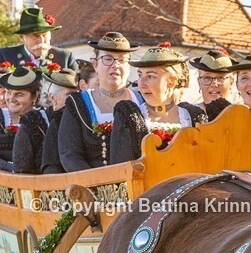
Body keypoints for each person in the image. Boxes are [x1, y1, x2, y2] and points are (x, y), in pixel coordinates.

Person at [59, 32, 143, 171]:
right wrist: (100, 184)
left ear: (130, 67)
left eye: (122, 60)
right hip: (95, 187)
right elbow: (70, 155)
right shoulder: (79, 103)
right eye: (108, 59)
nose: (115, 65)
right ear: (95, 64)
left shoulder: (142, 100)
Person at [108, 44, 206, 163]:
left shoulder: (193, 117)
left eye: (150, 76)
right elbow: (122, 169)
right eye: (140, 75)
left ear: (171, 82)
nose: (142, 83)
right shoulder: (129, 117)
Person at [14, 66, 77, 174]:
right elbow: (22, 169)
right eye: (70, 95)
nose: (76, 99)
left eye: (78, 94)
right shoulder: (33, 122)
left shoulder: (81, 117)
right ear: (53, 98)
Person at [0, 7, 73, 69]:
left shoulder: (65, 57)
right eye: (35, 36)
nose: (41, 40)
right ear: (22, 38)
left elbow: (78, 83)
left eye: (44, 35)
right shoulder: (5, 56)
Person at [0, 65, 42, 172]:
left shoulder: (44, 119)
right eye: (8, 92)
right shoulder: (1, 117)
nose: (11, 99)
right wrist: (13, 169)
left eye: (19, 94)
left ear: (35, 96)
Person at [189, 49, 237, 121]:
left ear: (231, 82)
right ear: (199, 82)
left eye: (221, 77)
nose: (214, 84)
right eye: (207, 78)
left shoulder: (240, 115)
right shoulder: (187, 116)